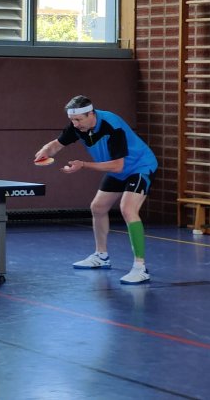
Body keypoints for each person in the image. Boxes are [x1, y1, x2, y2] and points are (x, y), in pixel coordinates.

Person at [35, 95, 158, 285]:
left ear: (91, 114)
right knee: (98, 207)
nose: (75, 124)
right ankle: (101, 256)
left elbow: (117, 166)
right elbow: (57, 145)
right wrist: (45, 151)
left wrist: (83, 164)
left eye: (78, 120)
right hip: (118, 170)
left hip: (139, 167)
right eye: (72, 120)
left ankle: (140, 268)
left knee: (128, 209)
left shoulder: (112, 126)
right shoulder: (78, 127)